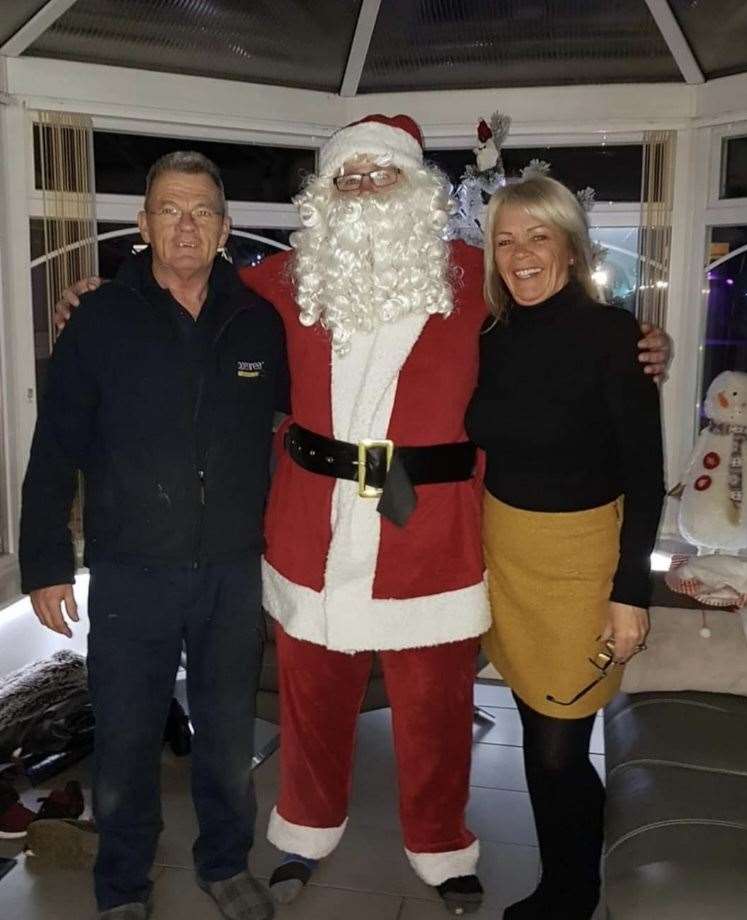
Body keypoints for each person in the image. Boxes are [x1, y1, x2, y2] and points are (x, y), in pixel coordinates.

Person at [54, 116, 670, 917]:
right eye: (351, 177)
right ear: (326, 195)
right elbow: (189, 288)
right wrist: (99, 292)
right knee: (313, 695)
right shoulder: (287, 279)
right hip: (315, 520)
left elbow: (559, 324)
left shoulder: (475, 276)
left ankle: (441, 841)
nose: (367, 190)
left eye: (384, 176)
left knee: (438, 705)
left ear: (416, 188)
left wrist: (639, 341)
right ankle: (306, 829)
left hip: (433, 526)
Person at [20, 151, 286, 920]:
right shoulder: (99, 320)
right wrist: (45, 562)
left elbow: (319, 414)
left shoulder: (257, 324)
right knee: (128, 738)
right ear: (142, 225)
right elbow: (54, 449)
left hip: (230, 570)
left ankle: (226, 862)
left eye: (202, 210)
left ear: (225, 228)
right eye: (169, 209)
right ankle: (122, 884)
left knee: (229, 733)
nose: (186, 225)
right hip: (131, 569)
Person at [465, 174, 665, 920]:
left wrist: (631, 591)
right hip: (506, 554)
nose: (520, 255)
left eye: (537, 236)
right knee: (541, 729)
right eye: (505, 239)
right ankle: (580, 870)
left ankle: (572, 892)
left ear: (572, 246)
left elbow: (647, 476)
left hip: (582, 563)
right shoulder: (491, 332)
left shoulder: (616, 337)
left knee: (556, 748)